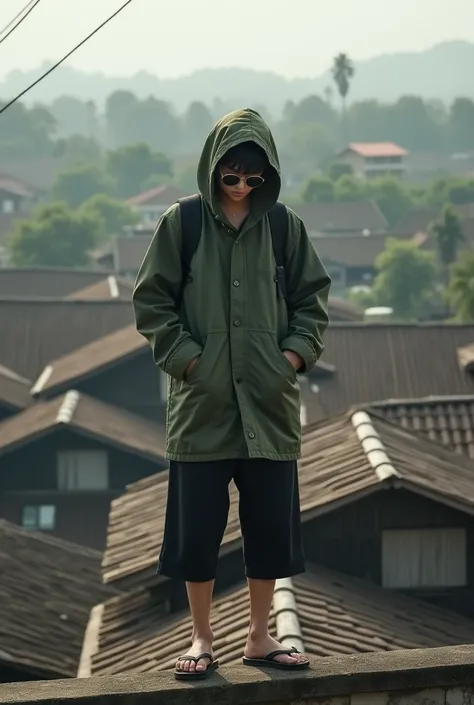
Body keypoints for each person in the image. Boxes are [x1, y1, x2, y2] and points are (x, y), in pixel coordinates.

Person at [132, 108, 331, 680]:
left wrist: (290, 357)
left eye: (253, 178)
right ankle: (200, 638)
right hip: (203, 406)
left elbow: (312, 300)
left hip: (268, 407)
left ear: (268, 176)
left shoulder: (285, 227)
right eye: (232, 176)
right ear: (212, 170)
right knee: (198, 531)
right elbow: (152, 302)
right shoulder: (183, 223)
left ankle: (260, 636)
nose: (242, 187)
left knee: (268, 527)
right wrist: (187, 359)